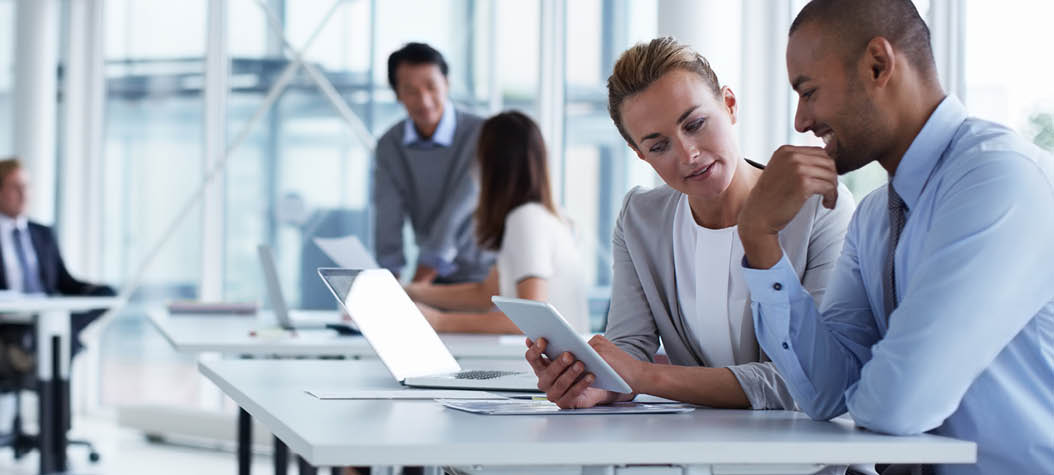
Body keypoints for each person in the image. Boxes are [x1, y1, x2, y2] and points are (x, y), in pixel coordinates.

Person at [732, 1, 1054, 474]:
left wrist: (872, 385)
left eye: (809, 91)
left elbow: (897, 406)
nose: (801, 122)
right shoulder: (873, 219)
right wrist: (759, 237)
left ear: (878, 65)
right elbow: (825, 393)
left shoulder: (999, 179)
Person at [523, 38, 854, 412]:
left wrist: (645, 377)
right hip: (698, 453)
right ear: (641, 155)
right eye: (659, 146)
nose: (688, 154)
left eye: (695, 124)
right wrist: (597, 384)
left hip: (814, 461)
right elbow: (628, 349)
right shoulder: (640, 219)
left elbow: (808, 380)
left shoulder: (819, 209)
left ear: (729, 105)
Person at [406, 111, 589, 334]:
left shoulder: (526, 220)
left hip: (545, 364)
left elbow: (530, 318)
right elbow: (485, 293)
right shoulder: (545, 216)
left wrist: (439, 321)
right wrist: (410, 292)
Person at [372, 42, 494, 285]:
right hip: (433, 278)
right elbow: (388, 214)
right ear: (397, 94)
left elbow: (459, 208)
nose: (424, 101)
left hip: (485, 275)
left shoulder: (482, 134)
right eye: (411, 91)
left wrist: (418, 283)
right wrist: (388, 283)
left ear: (446, 84)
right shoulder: (389, 145)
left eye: (431, 87)